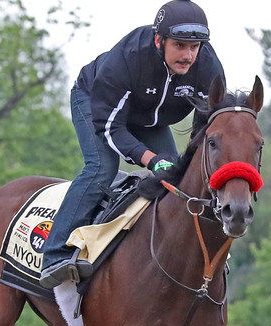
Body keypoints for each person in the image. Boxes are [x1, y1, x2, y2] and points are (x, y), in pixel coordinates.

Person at [39, 0, 226, 288]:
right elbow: (111, 127)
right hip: (97, 103)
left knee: (177, 180)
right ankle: (54, 255)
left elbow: (210, 127)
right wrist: (151, 159)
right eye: (179, 45)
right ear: (158, 40)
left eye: (195, 47)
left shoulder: (209, 67)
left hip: (149, 117)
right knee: (102, 167)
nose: (188, 55)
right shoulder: (127, 59)